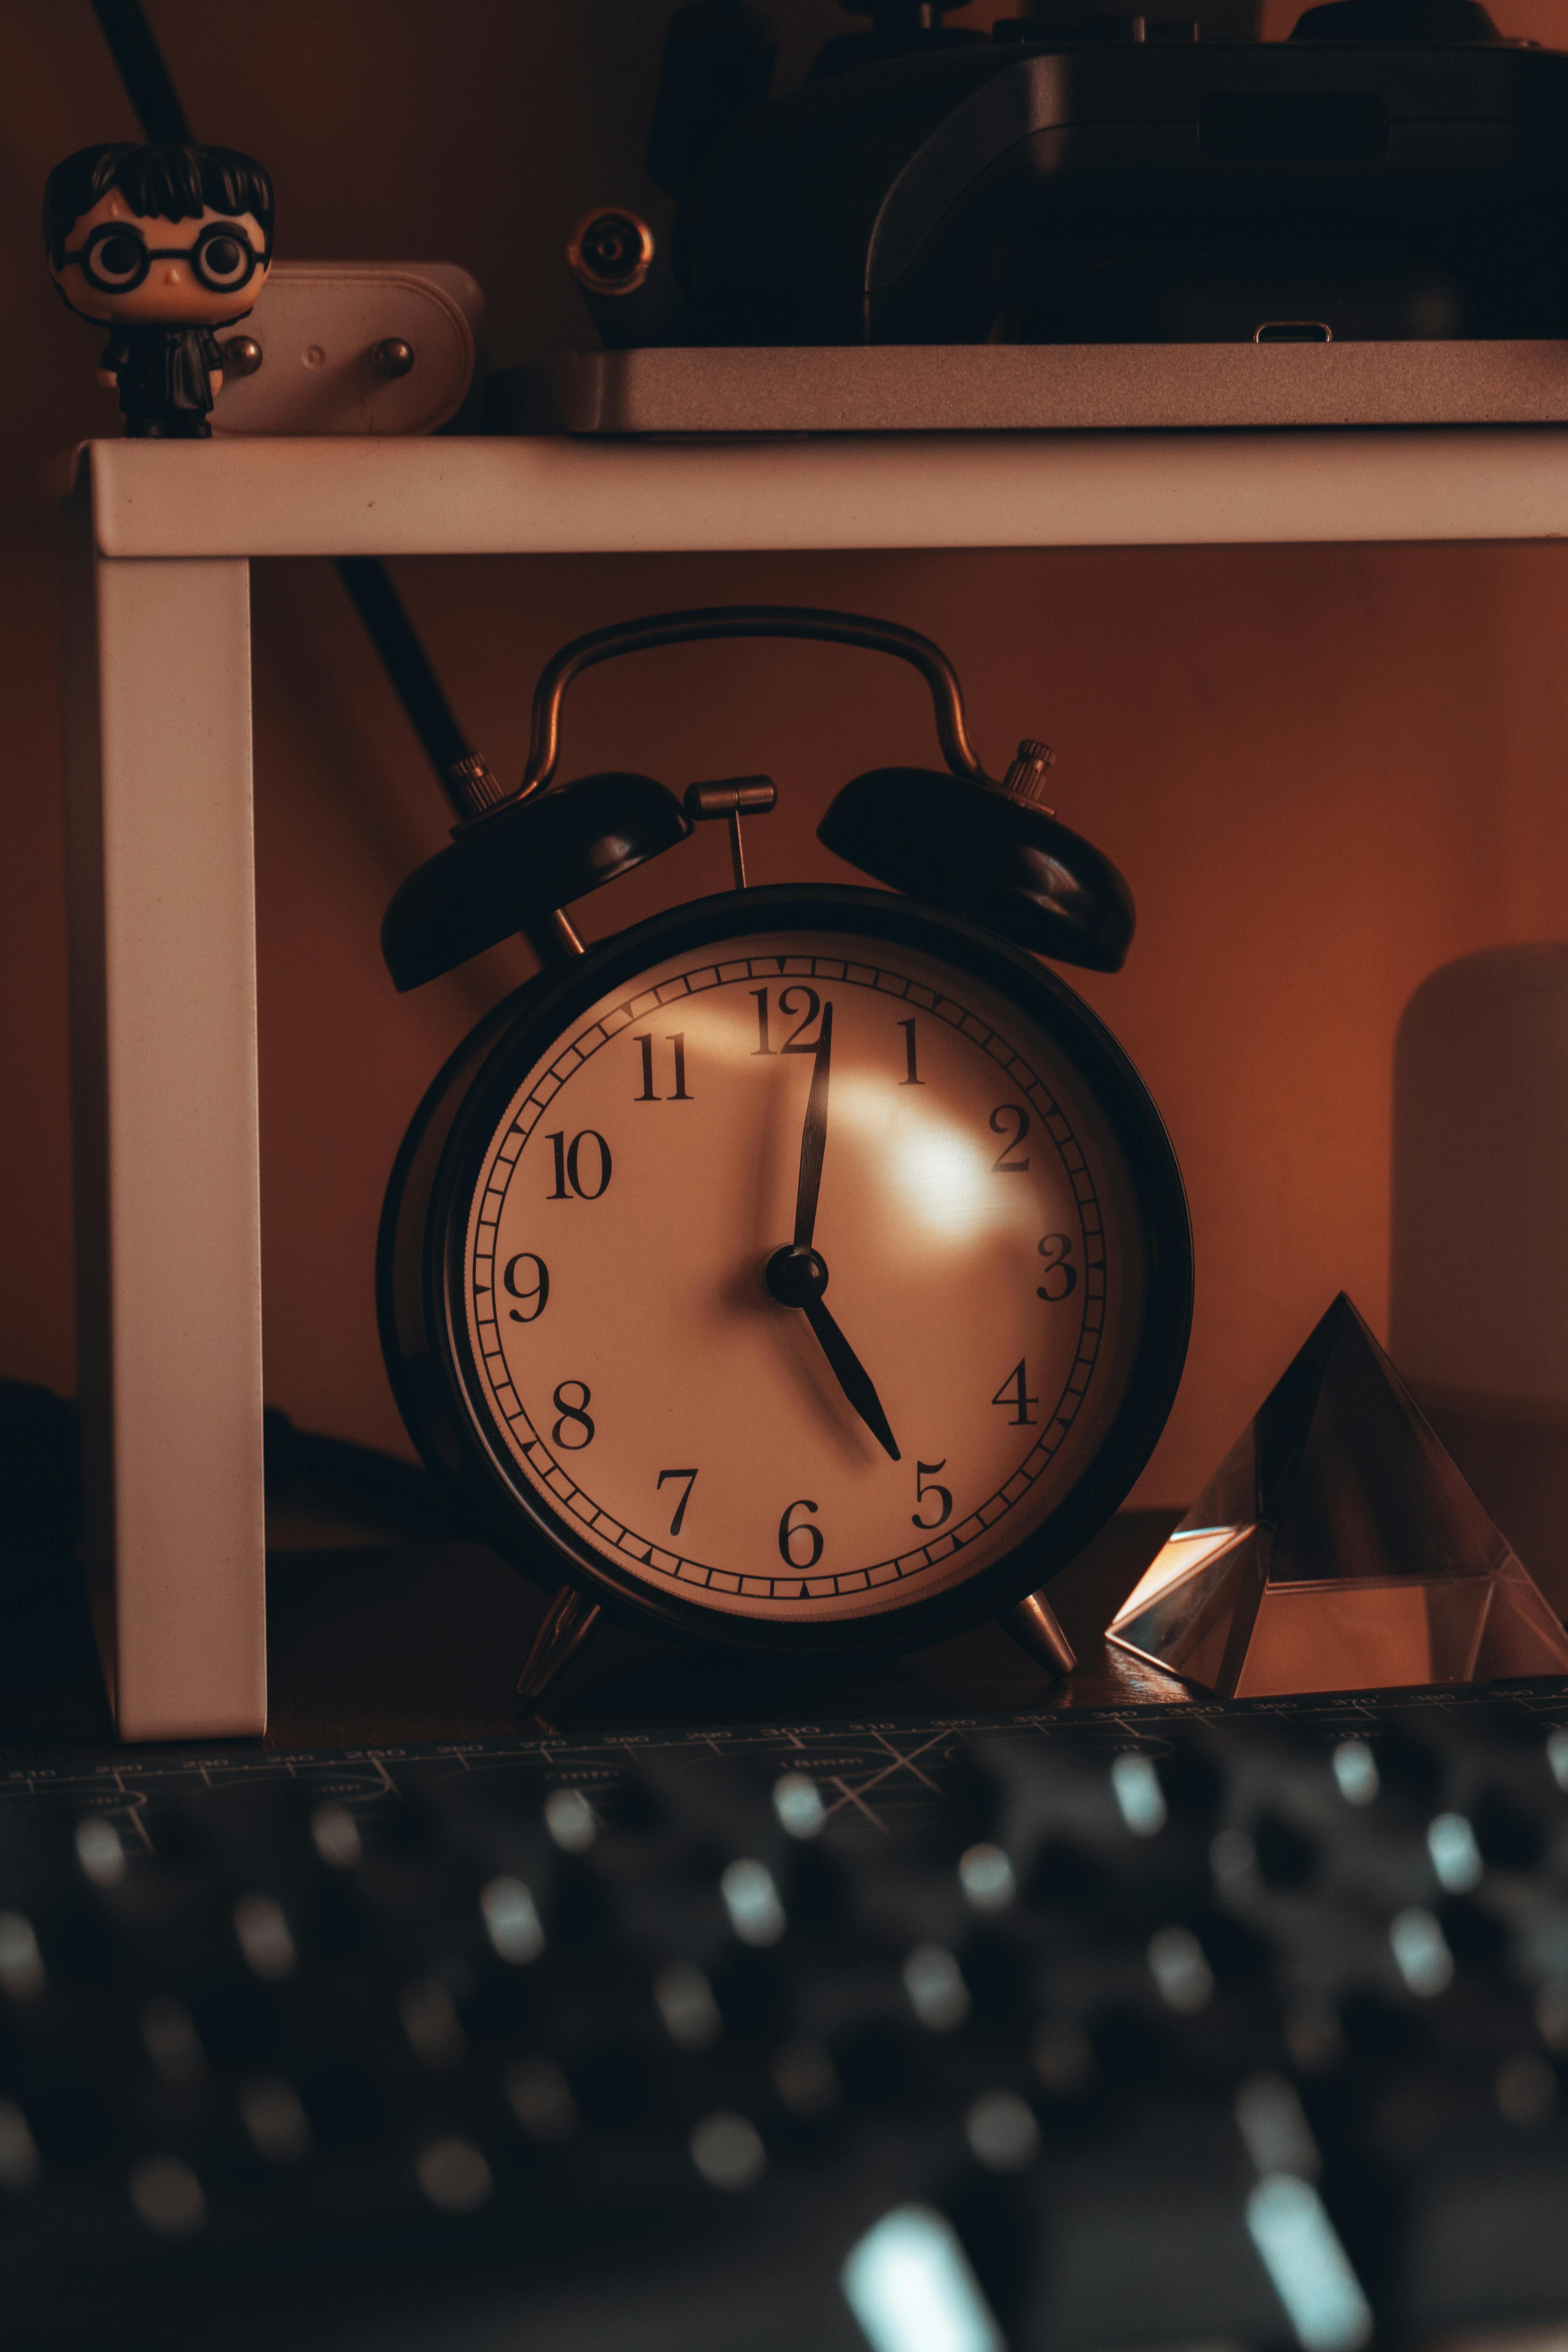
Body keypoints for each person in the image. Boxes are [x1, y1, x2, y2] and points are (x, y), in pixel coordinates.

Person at [44, 142, 273, 439]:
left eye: (220, 257)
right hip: (143, 395)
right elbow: (119, 352)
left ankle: (191, 423)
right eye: (118, 256)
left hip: (191, 394)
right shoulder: (134, 336)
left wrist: (214, 373)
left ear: (265, 265)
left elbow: (209, 355)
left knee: (192, 428)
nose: (174, 277)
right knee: (144, 427)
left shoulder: (196, 336)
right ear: (58, 265)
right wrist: (112, 368)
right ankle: (150, 425)